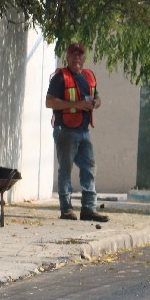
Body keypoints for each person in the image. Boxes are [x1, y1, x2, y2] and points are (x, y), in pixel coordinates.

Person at [45, 43, 108, 222]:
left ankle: (89, 208)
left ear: (84, 58)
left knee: (89, 168)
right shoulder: (60, 77)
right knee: (65, 169)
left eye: (80, 55)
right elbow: (49, 102)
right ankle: (66, 209)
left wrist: (96, 102)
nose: (76, 58)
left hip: (83, 131)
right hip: (65, 130)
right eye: (73, 55)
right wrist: (75, 105)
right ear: (67, 57)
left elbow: (97, 96)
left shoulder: (88, 76)